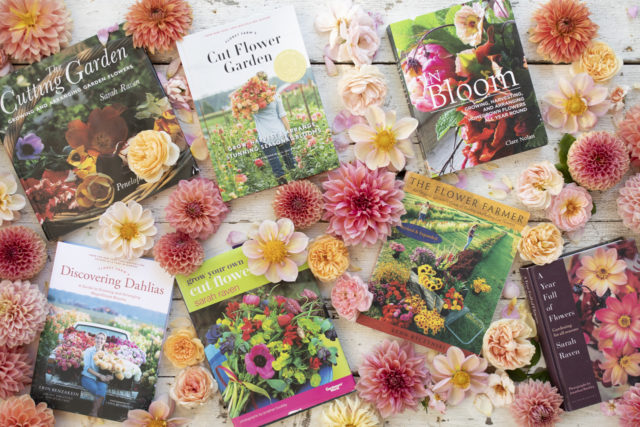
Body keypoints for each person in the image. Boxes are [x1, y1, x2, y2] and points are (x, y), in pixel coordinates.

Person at [251, 72, 296, 185]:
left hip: (265, 138)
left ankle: (285, 189)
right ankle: (298, 184)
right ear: (267, 81)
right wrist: (290, 134)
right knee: (291, 163)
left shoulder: (251, 102)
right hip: (280, 134)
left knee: (277, 169)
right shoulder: (275, 96)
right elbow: (283, 116)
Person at [81, 332, 112, 417]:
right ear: (95, 339)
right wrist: (100, 376)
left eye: (102, 339)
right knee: (98, 392)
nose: (99, 340)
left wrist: (110, 377)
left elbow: (109, 369)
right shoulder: (89, 351)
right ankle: (96, 414)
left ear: (105, 341)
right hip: (88, 377)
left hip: (101, 380)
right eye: (98, 338)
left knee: (102, 391)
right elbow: (86, 368)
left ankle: (93, 413)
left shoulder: (107, 354)